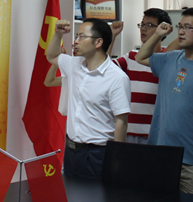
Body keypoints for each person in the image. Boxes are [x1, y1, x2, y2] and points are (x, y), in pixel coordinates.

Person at [135, 7, 193, 193]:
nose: (181, 32)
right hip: (160, 155)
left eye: (188, 27)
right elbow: (140, 56)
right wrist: (158, 34)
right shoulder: (169, 59)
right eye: (180, 27)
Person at [45, 18, 131, 179]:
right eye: (76, 36)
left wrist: (116, 159)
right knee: (70, 193)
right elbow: (51, 56)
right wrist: (58, 33)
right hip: (72, 150)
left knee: (96, 195)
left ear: (98, 42)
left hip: (98, 153)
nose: (75, 41)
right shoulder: (74, 64)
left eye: (81, 37)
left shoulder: (117, 78)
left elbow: (121, 122)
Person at [108, 8, 173, 143]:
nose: (143, 29)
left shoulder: (168, 58)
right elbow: (106, 68)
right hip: (127, 131)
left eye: (149, 25)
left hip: (154, 132)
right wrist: (112, 36)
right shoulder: (131, 57)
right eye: (142, 25)